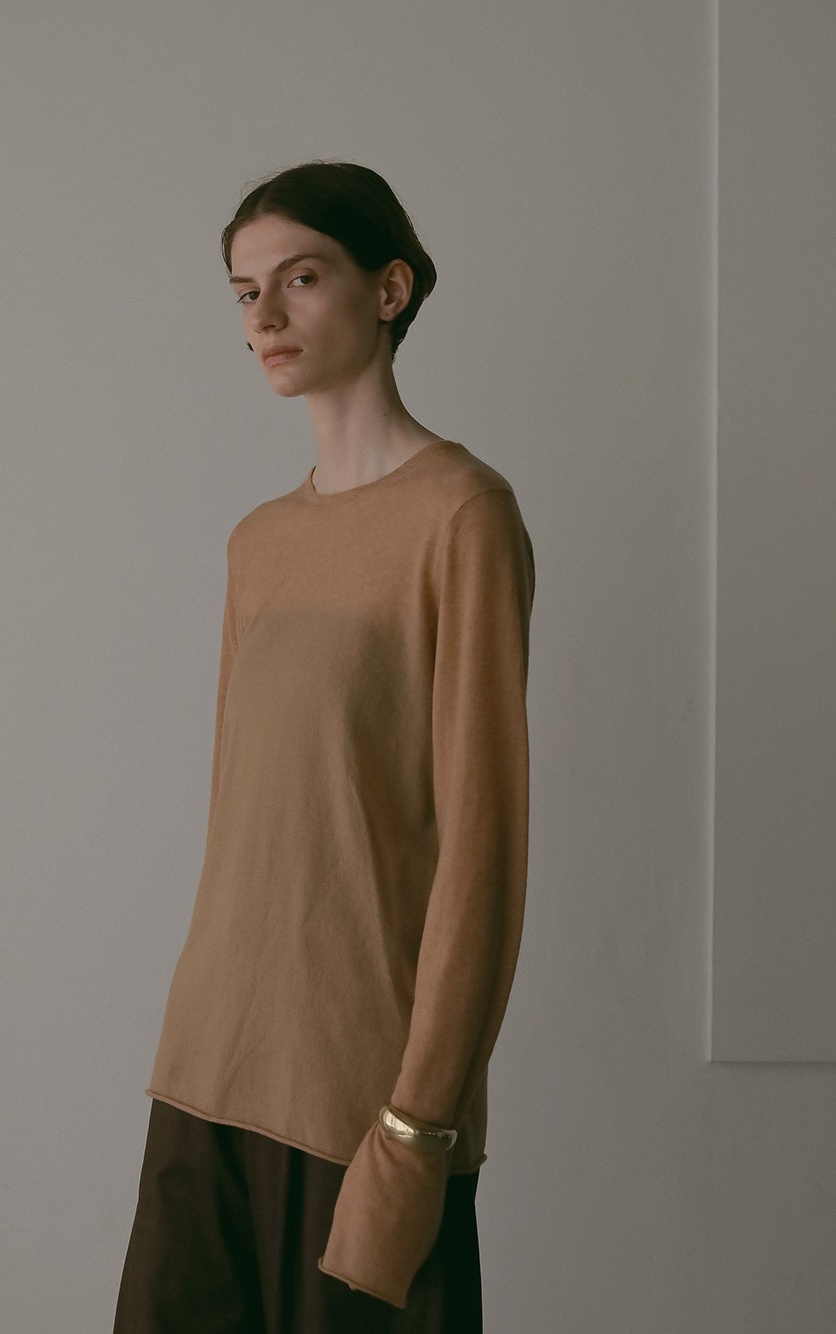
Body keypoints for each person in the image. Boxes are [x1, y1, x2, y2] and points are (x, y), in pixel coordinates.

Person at [114, 161, 534, 1334]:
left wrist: (417, 1126)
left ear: (388, 288)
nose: (263, 317)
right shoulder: (258, 542)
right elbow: (239, 825)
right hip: (206, 1067)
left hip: (360, 1096)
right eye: (243, 291)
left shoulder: (461, 516)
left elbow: (483, 853)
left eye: (299, 279)